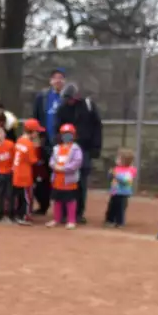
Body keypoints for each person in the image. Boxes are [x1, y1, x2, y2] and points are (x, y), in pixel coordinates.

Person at [54, 82, 102, 224]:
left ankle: (78, 212)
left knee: (80, 182)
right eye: (66, 99)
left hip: (84, 149)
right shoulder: (62, 109)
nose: (68, 101)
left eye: (70, 98)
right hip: (66, 149)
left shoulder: (88, 106)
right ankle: (64, 212)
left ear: (76, 96)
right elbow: (57, 128)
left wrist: (96, 147)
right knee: (64, 180)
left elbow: (97, 127)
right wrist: (58, 144)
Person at [32, 68, 67, 214]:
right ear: (51, 81)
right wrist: (37, 136)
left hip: (63, 143)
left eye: (61, 78)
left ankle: (64, 209)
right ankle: (43, 205)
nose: (58, 80)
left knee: (62, 175)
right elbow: (35, 117)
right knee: (43, 176)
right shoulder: (43, 97)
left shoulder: (68, 97)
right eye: (55, 78)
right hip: (46, 141)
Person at [47, 123, 83, 229]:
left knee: (70, 200)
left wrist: (64, 169)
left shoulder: (76, 149)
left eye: (69, 134)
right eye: (64, 134)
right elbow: (52, 161)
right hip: (57, 179)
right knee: (57, 200)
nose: (67, 136)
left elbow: (77, 162)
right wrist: (55, 167)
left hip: (69, 180)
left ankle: (71, 220)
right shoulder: (57, 148)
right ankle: (56, 219)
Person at [11, 119, 45, 226]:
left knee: (19, 197)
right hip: (25, 175)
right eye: (36, 131)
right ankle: (24, 216)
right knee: (26, 197)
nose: (37, 134)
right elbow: (33, 160)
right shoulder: (29, 144)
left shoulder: (20, 140)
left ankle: (17, 215)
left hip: (16, 173)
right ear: (32, 131)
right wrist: (41, 161)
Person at [103, 148, 136, 229]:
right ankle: (109, 220)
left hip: (123, 193)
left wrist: (116, 175)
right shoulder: (116, 168)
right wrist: (110, 175)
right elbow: (111, 179)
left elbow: (126, 180)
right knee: (111, 206)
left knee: (120, 208)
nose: (117, 160)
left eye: (119, 159)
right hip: (114, 191)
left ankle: (120, 222)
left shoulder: (131, 170)